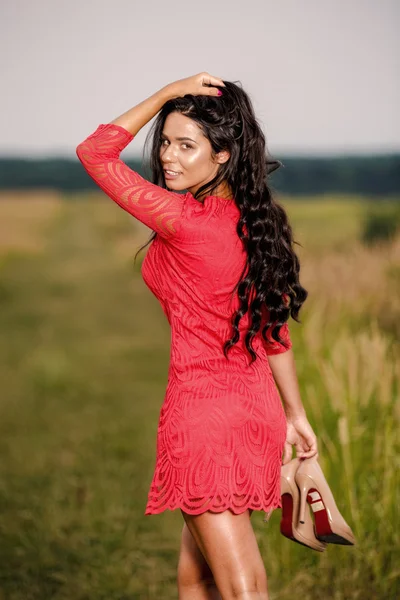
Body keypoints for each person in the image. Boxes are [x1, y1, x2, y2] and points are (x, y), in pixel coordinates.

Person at [76, 72, 318, 600]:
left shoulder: (182, 220)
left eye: (187, 145)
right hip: (254, 410)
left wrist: (164, 93)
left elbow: (95, 153)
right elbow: (272, 332)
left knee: (241, 589)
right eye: (165, 140)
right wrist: (295, 414)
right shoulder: (256, 222)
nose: (168, 157)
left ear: (224, 154)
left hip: (205, 417)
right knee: (196, 577)